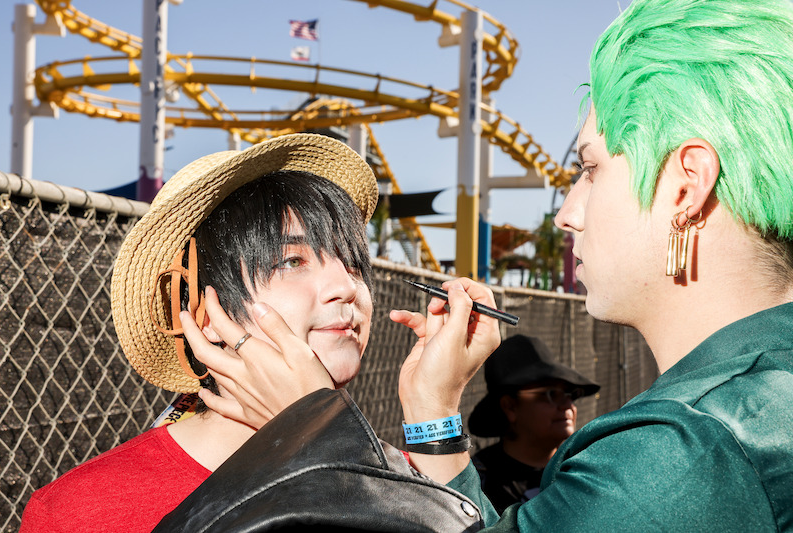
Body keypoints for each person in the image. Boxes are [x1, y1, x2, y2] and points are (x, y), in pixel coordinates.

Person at [171, 0, 793, 530]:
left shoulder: (681, 450)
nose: (566, 213)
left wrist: (314, 431)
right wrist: (433, 403)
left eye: (591, 168)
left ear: (686, 186)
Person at [21, 133, 452, 532]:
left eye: (353, 264)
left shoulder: (408, 479)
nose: (347, 288)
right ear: (201, 311)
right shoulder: (83, 511)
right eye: (293, 261)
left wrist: (434, 405)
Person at [468, 335, 599, 513]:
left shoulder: (585, 469)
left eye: (571, 394)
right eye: (551, 394)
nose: (567, 405)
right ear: (510, 407)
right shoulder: (477, 485)